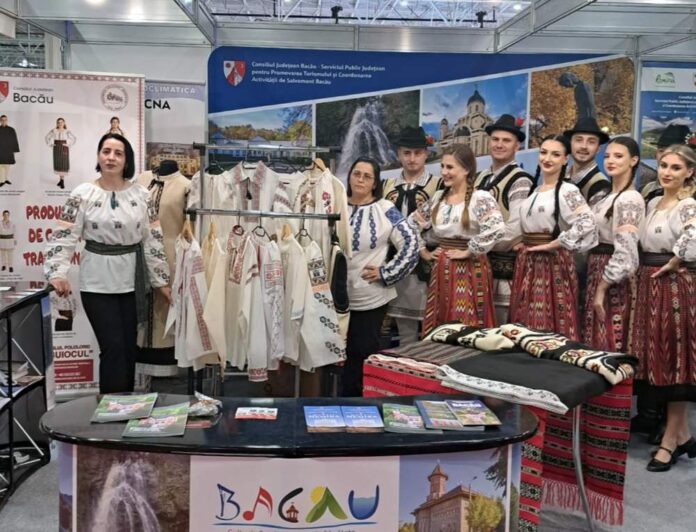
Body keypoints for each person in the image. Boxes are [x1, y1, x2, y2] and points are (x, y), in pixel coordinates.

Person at [45, 133, 171, 394]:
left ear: (127, 161)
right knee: (112, 348)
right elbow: (64, 235)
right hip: (96, 283)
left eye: (118, 153)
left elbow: (152, 239)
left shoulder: (141, 195)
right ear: (98, 156)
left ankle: (126, 406)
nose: (111, 157)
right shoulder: (83, 194)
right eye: (106, 151)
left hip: (133, 282)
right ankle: (111, 410)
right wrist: (57, 272)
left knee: (128, 349)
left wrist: (161, 281)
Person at [628, 144, 696, 472]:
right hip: (650, 281)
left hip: (674, 284)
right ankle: (682, 434)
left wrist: (674, 260)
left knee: (675, 360)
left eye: (676, 167)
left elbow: (693, 240)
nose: (667, 172)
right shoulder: (653, 202)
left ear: (689, 172)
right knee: (659, 359)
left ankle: (671, 440)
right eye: (664, 165)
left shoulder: (688, 204)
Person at [509, 134, 598, 340]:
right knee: (525, 317)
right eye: (544, 152)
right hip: (528, 261)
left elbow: (587, 221)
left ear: (565, 159)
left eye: (555, 154)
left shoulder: (567, 190)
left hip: (552, 262)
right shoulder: (535, 190)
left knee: (551, 319)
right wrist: (522, 242)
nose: (547, 158)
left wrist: (557, 243)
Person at [343, 157, 419, 396]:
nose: (360, 180)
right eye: (356, 174)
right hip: (335, 297)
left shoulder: (385, 209)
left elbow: (411, 243)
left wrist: (387, 272)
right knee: (333, 355)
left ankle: (359, 406)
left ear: (375, 183)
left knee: (362, 352)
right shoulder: (336, 205)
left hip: (370, 297)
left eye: (367, 176)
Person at [418, 144, 504, 333]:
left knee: (467, 321)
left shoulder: (480, 198)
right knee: (442, 320)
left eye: (450, 167)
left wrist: (469, 251)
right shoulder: (438, 198)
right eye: (442, 166)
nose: (444, 172)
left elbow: (496, 227)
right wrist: (423, 252)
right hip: (442, 267)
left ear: (466, 170)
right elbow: (411, 224)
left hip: (471, 267)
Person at [582, 136, 644, 351]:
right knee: (595, 334)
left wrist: (603, 286)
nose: (610, 161)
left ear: (633, 160)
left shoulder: (629, 199)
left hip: (613, 277)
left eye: (618, 156)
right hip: (597, 267)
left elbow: (626, 252)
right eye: (607, 156)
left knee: (610, 335)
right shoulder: (607, 197)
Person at [382, 126, 441, 344]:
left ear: (426, 154)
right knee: (404, 328)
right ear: (398, 154)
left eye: (417, 153)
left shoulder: (438, 184)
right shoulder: (386, 186)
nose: (412, 158)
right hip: (395, 263)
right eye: (407, 153)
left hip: (426, 266)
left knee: (431, 327)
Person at [475, 114, 533, 324]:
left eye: (506, 140)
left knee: (501, 327)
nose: (499, 145)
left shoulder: (520, 180)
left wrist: (477, 246)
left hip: (502, 268)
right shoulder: (480, 177)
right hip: (477, 265)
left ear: (517, 146)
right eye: (495, 139)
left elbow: (516, 229)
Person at [563, 116, 611, 207]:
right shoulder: (561, 175)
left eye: (591, 142)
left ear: (598, 149)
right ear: (571, 144)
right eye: (579, 140)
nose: (584, 146)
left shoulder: (601, 186)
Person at [641, 124, 692, 203]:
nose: (665, 156)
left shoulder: (690, 200)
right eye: (661, 151)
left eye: (673, 152)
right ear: (655, 154)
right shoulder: (649, 188)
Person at [45, 117, 76, 189]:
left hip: (64, 148)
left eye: (61, 122)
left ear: (64, 123)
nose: (60, 123)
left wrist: (68, 144)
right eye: (58, 122)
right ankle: (60, 180)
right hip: (56, 148)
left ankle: (62, 181)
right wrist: (51, 144)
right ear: (57, 123)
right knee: (58, 163)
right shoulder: (54, 131)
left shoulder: (67, 131)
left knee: (63, 164)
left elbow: (74, 138)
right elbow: (47, 137)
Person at [0, 114, 19, 187]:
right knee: (1, 166)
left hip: (8, 150)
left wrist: (15, 149)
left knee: (7, 166)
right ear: (0, 121)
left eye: (5, 120)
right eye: (2, 120)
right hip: (0, 150)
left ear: (7, 120)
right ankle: (1, 181)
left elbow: (14, 140)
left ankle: (5, 179)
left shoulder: (11, 130)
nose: (4, 121)